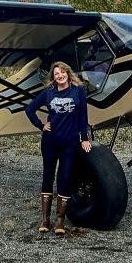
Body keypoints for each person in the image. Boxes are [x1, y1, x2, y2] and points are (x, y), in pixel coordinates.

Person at [25, 61, 91, 235]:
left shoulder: (78, 91)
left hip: (69, 142)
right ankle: (45, 219)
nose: (60, 76)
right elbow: (30, 109)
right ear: (53, 77)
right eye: (56, 74)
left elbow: (83, 116)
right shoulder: (48, 93)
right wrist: (41, 126)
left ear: (68, 73)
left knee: (65, 177)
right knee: (48, 176)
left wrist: (84, 138)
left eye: (62, 72)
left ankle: (60, 220)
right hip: (50, 142)